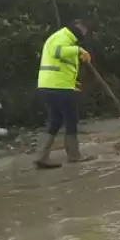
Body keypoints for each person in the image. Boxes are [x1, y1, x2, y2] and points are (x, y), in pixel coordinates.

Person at [34, 19, 94, 169]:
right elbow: (57, 52)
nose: (85, 34)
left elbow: (62, 66)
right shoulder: (63, 38)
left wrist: (73, 83)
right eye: (85, 31)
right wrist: (78, 51)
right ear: (80, 28)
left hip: (51, 85)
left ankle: (42, 156)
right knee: (71, 118)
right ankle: (74, 155)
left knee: (56, 120)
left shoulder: (66, 39)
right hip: (57, 86)